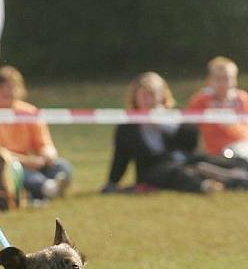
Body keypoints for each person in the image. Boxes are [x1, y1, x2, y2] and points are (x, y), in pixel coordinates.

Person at [101, 72, 248, 195]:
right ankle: (207, 185)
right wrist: (112, 182)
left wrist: (165, 124)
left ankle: (237, 178)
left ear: (162, 95)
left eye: (152, 94)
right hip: (155, 170)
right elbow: (121, 157)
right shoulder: (128, 127)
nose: (148, 100)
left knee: (224, 162)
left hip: (189, 160)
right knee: (177, 172)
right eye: (144, 95)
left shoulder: (176, 115)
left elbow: (192, 142)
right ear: (135, 96)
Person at [0, 66, 72, 206]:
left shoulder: (28, 112)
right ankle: (45, 188)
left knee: (61, 166)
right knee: (15, 170)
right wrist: (26, 161)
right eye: (3, 88)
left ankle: (47, 188)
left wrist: (47, 154)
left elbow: (43, 143)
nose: (7, 92)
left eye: (12, 87)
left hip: (30, 162)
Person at [188, 56, 248, 160]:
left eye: (227, 78)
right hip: (217, 154)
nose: (223, 83)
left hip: (242, 147)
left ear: (235, 80)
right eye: (218, 78)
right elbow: (189, 128)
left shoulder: (242, 99)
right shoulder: (201, 101)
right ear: (210, 80)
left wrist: (232, 125)